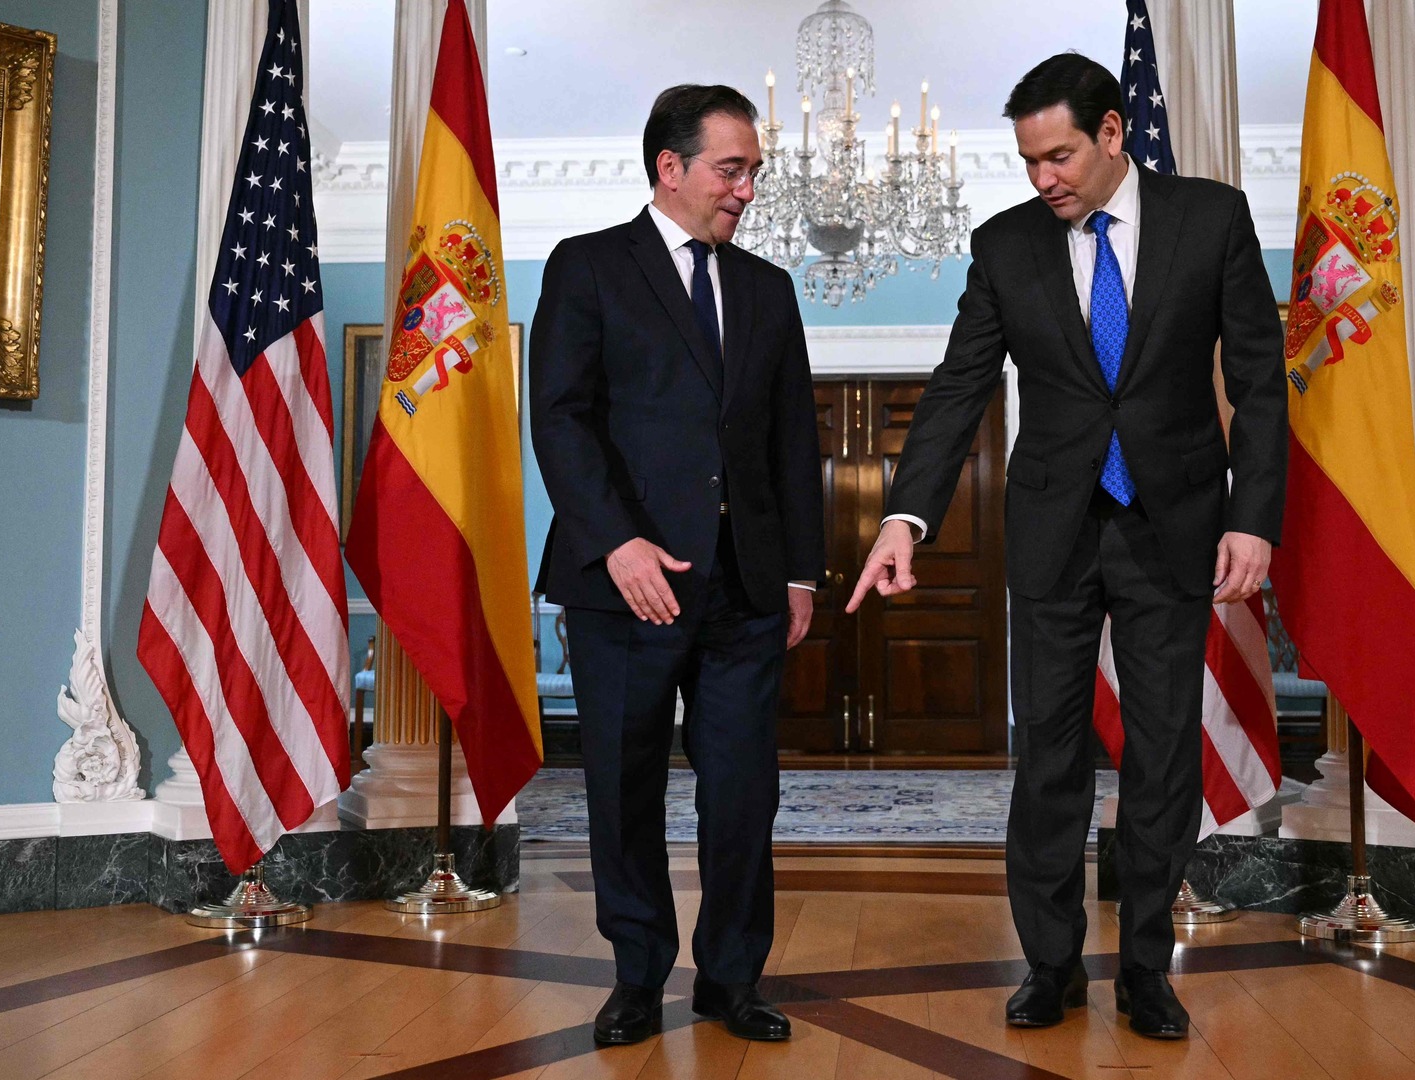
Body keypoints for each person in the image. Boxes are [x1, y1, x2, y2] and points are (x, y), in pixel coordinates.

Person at [845, 53, 1286, 1040]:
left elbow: (1260, 380)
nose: (1043, 178)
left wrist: (1252, 516)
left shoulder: (1211, 219)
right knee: (1048, 751)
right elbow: (958, 385)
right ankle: (1050, 966)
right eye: (1029, 161)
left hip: (1173, 526)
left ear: (1113, 133)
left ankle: (1145, 968)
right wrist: (905, 518)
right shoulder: (1005, 245)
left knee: (1162, 754)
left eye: (1059, 157)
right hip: (1053, 532)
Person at [530, 84, 824, 1047]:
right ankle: (637, 974)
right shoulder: (587, 266)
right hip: (625, 584)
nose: (747, 190)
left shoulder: (768, 289)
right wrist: (616, 541)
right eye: (731, 170)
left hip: (746, 589)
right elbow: (561, 418)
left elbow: (791, 441)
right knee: (625, 790)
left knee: (744, 795)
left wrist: (801, 573)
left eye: (754, 172)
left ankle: (732, 979)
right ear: (671, 166)